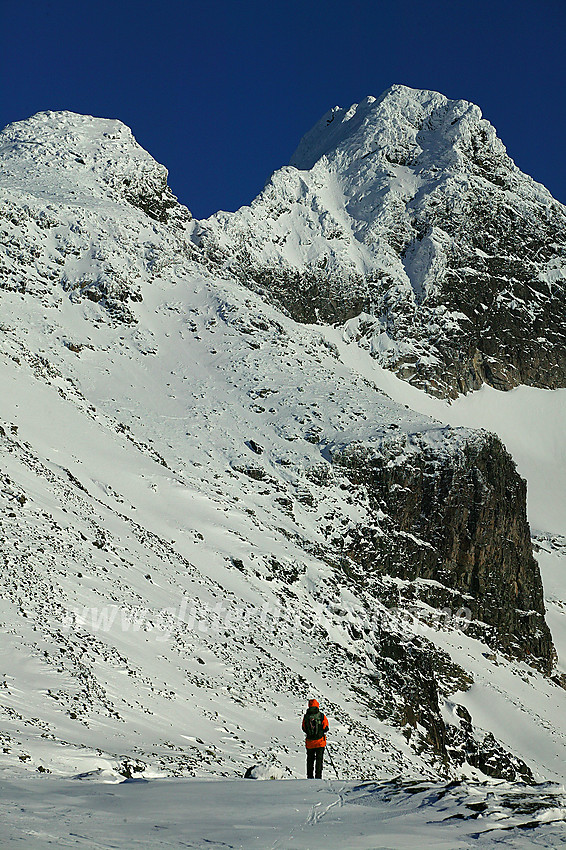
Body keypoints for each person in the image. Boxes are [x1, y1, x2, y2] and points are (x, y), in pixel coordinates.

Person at [301, 698, 329, 778]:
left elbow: (303, 728)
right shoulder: (321, 715)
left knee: (310, 760)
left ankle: (309, 776)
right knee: (319, 761)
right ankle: (318, 777)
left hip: (310, 743)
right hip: (320, 742)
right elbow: (326, 727)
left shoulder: (306, 716)